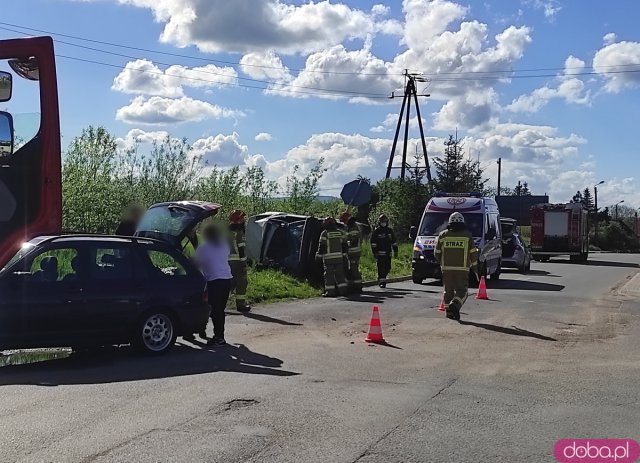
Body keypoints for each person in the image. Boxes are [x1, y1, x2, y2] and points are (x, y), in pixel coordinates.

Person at [194, 223, 233, 346]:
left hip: (214, 280)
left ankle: (219, 337)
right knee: (219, 309)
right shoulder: (223, 245)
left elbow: (197, 264)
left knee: (215, 310)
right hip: (227, 279)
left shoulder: (203, 248)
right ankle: (219, 335)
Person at [434, 212, 478, 321]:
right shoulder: (467, 235)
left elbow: (437, 253)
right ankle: (455, 304)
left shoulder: (443, 235)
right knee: (462, 291)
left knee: (448, 291)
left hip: (446, 268)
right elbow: (473, 253)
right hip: (462, 269)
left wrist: (442, 262)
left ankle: (449, 312)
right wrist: (475, 267)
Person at [317, 216, 348, 297]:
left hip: (328, 259)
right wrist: (344, 255)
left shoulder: (324, 233)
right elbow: (345, 245)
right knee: (340, 275)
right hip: (339, 258)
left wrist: (318, 256)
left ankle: (330, 292)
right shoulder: (340, 232)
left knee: (329, 276)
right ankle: (343, 291)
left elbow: (322, 247)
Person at [228, 210, 250, 312]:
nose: (244, 222)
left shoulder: (226, 232)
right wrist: (244, 264)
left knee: (230, 284)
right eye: (243, 219)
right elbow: (241, 250)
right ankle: (241, 305)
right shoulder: (239, 233)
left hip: (226, 262)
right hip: (237, 263)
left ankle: (219, 303)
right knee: (242, 283)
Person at [370, 214, 398, 288]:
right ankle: (382, 282)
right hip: (380, 254)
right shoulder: (376, 231)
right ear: (379, 222)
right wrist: (375, 252)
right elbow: (373, 243)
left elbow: (394, 242)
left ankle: (381, 278)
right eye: (382, 221)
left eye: (384, 221)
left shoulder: (389, 231)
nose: (383, 223)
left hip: (388, 253)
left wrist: (396, 251)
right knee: (381, 268)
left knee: (388, 268)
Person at [341, 212, 363, 293]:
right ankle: (354, 285)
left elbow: (353, 241)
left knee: (354, 269)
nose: (344, 223)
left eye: (345, 221)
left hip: (354, 252)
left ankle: (359, 286)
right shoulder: (350, 227)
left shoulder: (353, 228)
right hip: (352, 252)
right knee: (351, 269)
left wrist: (345, 243)